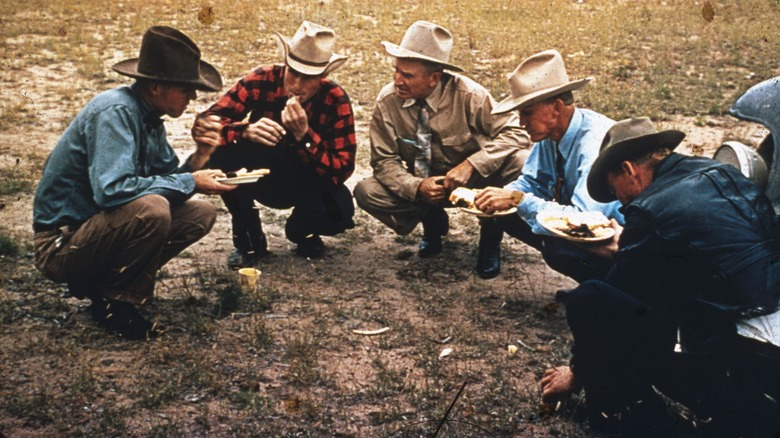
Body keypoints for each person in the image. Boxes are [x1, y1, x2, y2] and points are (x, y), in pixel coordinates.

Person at [540, 118, 780, 436]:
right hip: (769, 310)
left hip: (749, 354)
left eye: (615, 190)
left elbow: (615, 296)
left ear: (629, 169)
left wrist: (576, 372)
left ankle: (629, 413)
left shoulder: (649, 211)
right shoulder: (720, 172)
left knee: (590, 298)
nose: (619, 201)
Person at [32, 26, 235, 340]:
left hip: (93, 233)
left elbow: (174, 184)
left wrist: (202, 154)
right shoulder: (117, 112)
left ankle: (106, 288)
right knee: (152, 209)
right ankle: (117, 304)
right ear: (156, 87)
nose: (192, 97)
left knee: (200, 213)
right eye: (185, 88)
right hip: (62, 244)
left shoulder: (149, 117)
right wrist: (189, 179)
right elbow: (112, 191)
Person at [353, 21, 531, 279]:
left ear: (434, 78)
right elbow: (384, 161)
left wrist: (472, 165)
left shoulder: (469, 94)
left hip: (476, 183)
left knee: (521, 161)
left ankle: (491, 236)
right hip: (425, 187)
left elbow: (517, 132)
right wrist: (416, 187)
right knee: (367, 191)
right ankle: (431, 222)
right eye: (396, 71)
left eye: (408, 75)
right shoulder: (387, 101)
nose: (397, 80)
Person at [193, 21, 356, 267]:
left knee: (340, 209)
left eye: (308, 77)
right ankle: (249, 238)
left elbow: (342, 169)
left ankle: (303, 232)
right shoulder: (262, 78)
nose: (297, 85)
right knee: (220, 153)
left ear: (323, 77)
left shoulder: (335, 99)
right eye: (293, 72)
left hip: (306, 180)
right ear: (286, 65)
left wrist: (306, 137)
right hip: (260, 173)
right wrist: (244, 131)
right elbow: (204, 125)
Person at [475, 50, 623, 285]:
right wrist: (503, 194)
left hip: (622, 235)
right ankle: (594, 283)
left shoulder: (593, 143)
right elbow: (534, 181)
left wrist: (518, 200)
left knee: (559, 248)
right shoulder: (551, 134)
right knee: (505, 213)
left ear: (556, 107)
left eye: (527, 112)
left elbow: (585, 220)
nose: (522, 123)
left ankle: (609, 288)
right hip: (592, 221)